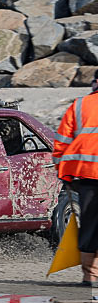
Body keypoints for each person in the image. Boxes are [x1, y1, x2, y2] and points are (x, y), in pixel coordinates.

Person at [53, 69, 98, 286]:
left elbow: (61, 141)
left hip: (84, 173)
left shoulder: (80, 105)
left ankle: (90, 275)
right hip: (85, 173)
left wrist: (63, 173)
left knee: (89, 222)